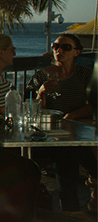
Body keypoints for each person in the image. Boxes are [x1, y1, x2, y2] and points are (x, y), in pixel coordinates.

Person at [26, 34, 96, 212]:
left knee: (70, 154)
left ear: (77, 52)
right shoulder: (42, 76)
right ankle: (72, 209)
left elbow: (94, 104)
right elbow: (32, 110)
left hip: (76, 129)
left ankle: (72, 209)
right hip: (51, 132)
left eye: (66, 47)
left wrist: (70, 116)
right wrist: (41, 93)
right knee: (69, 155)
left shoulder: (85, 75)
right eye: (56, 46)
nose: (59, 50)